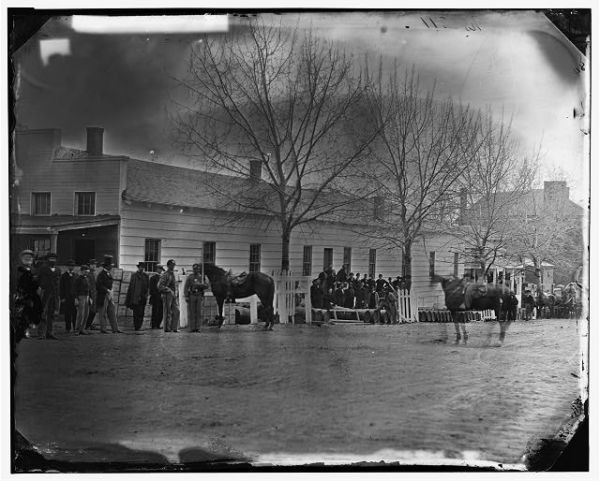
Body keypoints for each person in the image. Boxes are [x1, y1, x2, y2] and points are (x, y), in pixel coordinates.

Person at [13, 249, 43, 340]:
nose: (28, 258)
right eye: (25, 257)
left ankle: (29, 329)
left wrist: (38, 287)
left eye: (30, 257)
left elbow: (37, 281)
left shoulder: (34, 270)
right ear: (22, 258)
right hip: (22, 294)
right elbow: (15, 281)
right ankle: (22, 331)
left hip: (33, 294)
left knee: (34, 311)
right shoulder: (18, 269)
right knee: (22, 313)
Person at [37, 253, 61, 340]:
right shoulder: (43, 269)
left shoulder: (58, 270)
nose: (52, 260)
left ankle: (50, 333)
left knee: (52, 314)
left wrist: (58, 294)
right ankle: (41, 333)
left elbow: (59, 283)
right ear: (47, 259)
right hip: (45, 293)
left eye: (54, 259)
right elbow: (38, 280)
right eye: (50, 259)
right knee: (43, 313)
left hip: (54, 294)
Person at [96, 255, 122, 334]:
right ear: (107, 266)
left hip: (109, 295)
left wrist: (111, 290)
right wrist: (107, 290)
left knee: (112, 312)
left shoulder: (109, 274)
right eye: (110, 265)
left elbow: (110, 284)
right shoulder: (101, 274)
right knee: (103, 313)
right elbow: (99, 285)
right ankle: (103, 329)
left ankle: (115, 329)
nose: (111, 267)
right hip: (103, 296)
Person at [184, 263, 209, 332]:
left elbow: (207, 286)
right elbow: (186, 287)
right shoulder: (190, 277)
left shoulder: (202, 277)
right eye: (194, 269)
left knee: (198, 312)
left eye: (197, 269)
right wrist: (186, 296)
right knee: (192, 312)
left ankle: (198, 328)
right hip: (192, 295)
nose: (196, 270)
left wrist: (200, 285)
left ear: (199, 269)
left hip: (199, 295)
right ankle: (192, 328)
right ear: (193, 269)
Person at [126, 262, 150, 331]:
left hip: (143, 297)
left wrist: (146, 294)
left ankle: (139, 325)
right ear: (138, 267)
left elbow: (148, 286)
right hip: (135, 297)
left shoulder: (146, 276)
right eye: (140, 267)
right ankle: (136, 326)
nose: (141, 268)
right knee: (136, 312)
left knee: (142, 312)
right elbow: (131, 287)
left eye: (143, 267)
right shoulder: (134, 275)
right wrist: (130, 297)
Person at [159, 259, 180, 332]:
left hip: (173, 295)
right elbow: (160, 286)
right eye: (171, 265)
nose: (173, 266)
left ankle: (174, 328)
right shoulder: (165, 274)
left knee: (176, 311)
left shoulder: (173, 274)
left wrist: (175, 293)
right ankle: (167, 328)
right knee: (167, 312)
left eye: (174, 265)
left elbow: (175, 285)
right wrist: (169, 290)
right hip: (167, 295)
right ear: (168, 266)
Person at [59, 259, 78, 332]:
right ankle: (68, 328)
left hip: (74, 297)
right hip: (66, 297)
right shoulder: (64, 276)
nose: (71, 267)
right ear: (67, 266)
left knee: (75, 313)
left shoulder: (76, 275)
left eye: (72, 266)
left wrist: (77, 297)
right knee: (67, 313)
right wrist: (62, 297)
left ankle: (75, 327)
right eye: (70, 266)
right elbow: (61, 287)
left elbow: (77, 287)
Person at [74, 264, 91, 335]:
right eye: (85, 271)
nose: (86, 272)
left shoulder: (87, 278)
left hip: (87, 297)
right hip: (81, 297)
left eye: (87, 271)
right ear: (81, 271)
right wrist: (76, 298)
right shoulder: (78, 279)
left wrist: (90, 298)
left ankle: (82, 329)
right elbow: (75, 289)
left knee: (86, 313)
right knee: (80, 314)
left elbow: (89, 289)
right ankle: (77, 329)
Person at [149, 265, 164, 329]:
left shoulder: (162, 278)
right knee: (155, 311)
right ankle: (154, 325)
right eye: (159, 269)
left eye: (161, 269)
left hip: (162, 297)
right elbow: (151, 289)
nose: (160, 270)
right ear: (157, 269)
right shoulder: (153, 278)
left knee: (161, 311)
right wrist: (157, 295)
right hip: (155, 297)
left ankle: (158, 324)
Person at [85, 259, 99, 330]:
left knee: (94, 310)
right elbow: (88, 285)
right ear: (89, 265)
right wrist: (89, 295)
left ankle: (90, 324)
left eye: (95, 265)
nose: (94, 266)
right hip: (90, 294)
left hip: (95, 294)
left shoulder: (95, 274)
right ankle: (87, 325)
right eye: (92, 264)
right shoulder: (88, 274)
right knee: (90, 310)